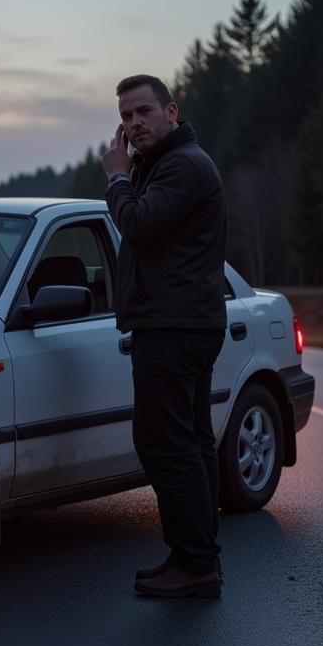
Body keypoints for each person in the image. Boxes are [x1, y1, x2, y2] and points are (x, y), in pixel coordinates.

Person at [101, 75, 227, 599]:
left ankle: (196, 563)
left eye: (143, 112)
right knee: (191, 443)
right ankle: (194, 558)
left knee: (165, 443)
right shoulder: (169, 165)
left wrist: (116, 178)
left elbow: (139, 223)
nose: (134, 124)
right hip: (180, 322)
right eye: (126, 117)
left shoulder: (182, 165)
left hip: (173, 326)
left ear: (170, 111)